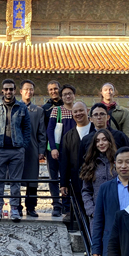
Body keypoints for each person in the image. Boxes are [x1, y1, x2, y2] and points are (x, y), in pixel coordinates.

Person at [0, 79, 31, 222]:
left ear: (15, 91)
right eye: (6, 89)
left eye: (11, 89)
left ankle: (14, 207)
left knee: (16, 181)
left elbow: (27, 128)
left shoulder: (22, 107)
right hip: (0, 148)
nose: (8, 91)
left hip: (17, 149)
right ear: (2, 90)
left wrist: (23, 145)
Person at [59, 101, 92, 222]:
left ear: (87, 111)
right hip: (76, 178)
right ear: (72, 114)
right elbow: (64, 161)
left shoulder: (96, 132)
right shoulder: (68, 136)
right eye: (75, 112)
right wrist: (63, 183)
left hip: (95, 177)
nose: (78, 113)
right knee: (80, 209)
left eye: (81, 110)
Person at [47, 84, 77, 216]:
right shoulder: (57, 110)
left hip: (74, 150)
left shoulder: (78, 110)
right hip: (59, 150)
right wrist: (53, 148)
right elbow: (50, 130)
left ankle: (69, 206)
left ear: (74, 95)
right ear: (61, 97)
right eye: (64, 94)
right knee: (55, 178)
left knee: (70, 178)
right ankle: (57, 204)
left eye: (70, 94)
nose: (67, 96)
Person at [19, 80, 46, 218]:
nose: (28, 92)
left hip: (32, 148)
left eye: (31, 89)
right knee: (16, 179)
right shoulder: (15, 108)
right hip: (16, 149)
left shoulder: (38, 111)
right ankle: (16, 206)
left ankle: (31, 207)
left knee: (32, 180)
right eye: (26, 89)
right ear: (21, 91)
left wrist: (41, 150)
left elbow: (42, 132)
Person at [80, 128, 117, 219]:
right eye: (98, 141)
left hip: (117, 213)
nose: (101, 143)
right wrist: (91, 211)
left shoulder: (118, 162)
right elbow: (86, 191)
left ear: (110, 141)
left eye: (104, 140)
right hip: (98, 214)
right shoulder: (91, 164)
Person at [41, 80, 63, 217]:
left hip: (66, 147)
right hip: (51, 147)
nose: (53, 91)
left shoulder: (67, 105)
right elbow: (43, 130)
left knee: (67, 176)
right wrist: (43, 149)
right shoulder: (45, 108)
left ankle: (67, 203)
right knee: (53, 177)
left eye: (55, 88)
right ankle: (56, 204)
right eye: (51, 89)